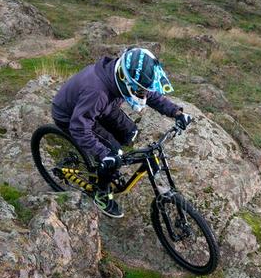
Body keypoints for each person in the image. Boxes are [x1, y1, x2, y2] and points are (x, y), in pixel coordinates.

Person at [51, 47, 192, 218]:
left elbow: (150, 94)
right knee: (112, 153)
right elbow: (79, 127)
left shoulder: (120, 76)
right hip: (71, 116)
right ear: (126, 81)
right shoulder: (97, 92)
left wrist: (176, 112)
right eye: (139, 90)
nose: (143, 93)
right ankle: (101, 194)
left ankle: (104, 161)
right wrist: (104, 154)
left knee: (130, 133)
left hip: (101, 107)